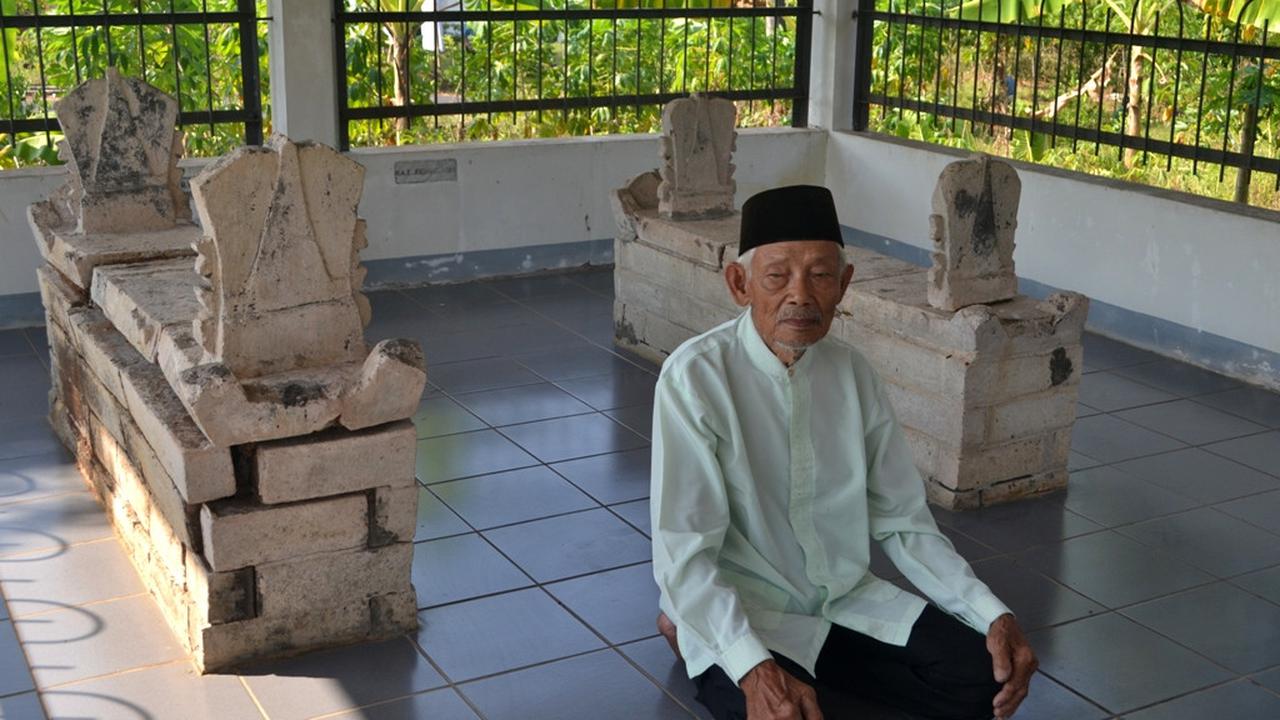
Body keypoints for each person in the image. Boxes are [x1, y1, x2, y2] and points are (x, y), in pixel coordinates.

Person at [649, 185, 1037, 720]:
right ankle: (689, 630)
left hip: (844, 603)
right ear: (740, 285)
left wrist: (991, 613)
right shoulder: (694, 378)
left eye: (821, 275)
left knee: (981, 680)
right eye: (778, 275)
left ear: (845, 285)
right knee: (784, 712)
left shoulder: (854, 375)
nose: (801, 296)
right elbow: (685, 553)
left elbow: (904, 523)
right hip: (748, 612)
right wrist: (752, 668)